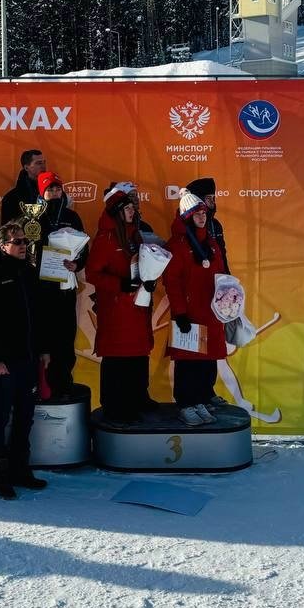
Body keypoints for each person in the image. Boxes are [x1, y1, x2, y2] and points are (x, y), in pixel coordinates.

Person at [0, 221, 51, 500]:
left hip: (29, 361)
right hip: (3, 364)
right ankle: (0, 474)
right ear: (3, 245)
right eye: (17, 242)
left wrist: (43, 349)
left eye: (24, 242)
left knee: (25, 417)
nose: (23, 246)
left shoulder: (31, 273)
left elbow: (40, 316)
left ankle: (21, 469)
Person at [85, 183, 154, 425]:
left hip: (136, 306)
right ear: (117, 211)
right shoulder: (106, 237)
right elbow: (92, 274)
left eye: (131, 207)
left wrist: (150, 280)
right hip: (115, 308)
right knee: (117, 357)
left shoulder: (134, 233)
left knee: (137, 354)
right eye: (126, 208)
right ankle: (114, 405)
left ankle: (136, 400)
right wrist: (119, 285)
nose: (131, 211)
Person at [165, 189, 228, 426]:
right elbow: (172, 282)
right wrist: (180, 312)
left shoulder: (211, 243)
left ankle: (201, 398)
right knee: (188, 360)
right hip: (189, 313)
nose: (202, 217)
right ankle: (185, 403)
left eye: (203, 212)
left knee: (207, 358)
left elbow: (221, 274)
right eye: (196, 213)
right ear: (186, 216)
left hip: (210, 310)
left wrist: (228, 300)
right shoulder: (178, 245)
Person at [34, 171, 88, 401]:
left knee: (66, 335)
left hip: (65, 284)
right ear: (41, 193)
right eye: (50, 189)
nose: (55, 193)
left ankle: (63, 383)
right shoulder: (34, 218)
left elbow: (85, 247)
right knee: (44, 335)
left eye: (58, 189)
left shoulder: (72, 216)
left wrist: (77, 264)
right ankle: (42, 384)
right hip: (42, 286)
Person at [185, 177, 229, 271]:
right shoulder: (184, 224)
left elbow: (222, 254)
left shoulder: (215, 224)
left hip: (215, 279)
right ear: (198, 200)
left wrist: (226, 275)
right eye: (208, 198)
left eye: (213, 197)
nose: (213, 201)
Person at [0, 148, 46, 223]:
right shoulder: (11, 198)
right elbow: (7, 229)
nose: (43, 166)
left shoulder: (53, 192)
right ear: (26, 167)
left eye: (44, 162)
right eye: (38, 163)